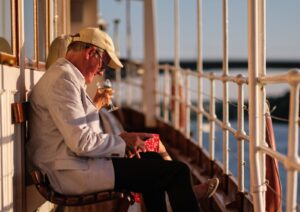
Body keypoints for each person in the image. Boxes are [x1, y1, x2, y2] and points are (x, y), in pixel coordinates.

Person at [27, 27, 216, 211]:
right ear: (91, 52)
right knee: (178, 172)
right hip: (67, 173)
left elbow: (84, 134)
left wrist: (125, 141)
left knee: (150, 159)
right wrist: (122, 143)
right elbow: (82, 143)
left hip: (72, 164)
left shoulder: (68, 79)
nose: (102, 72)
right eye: (103, 64)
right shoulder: (63, 81)